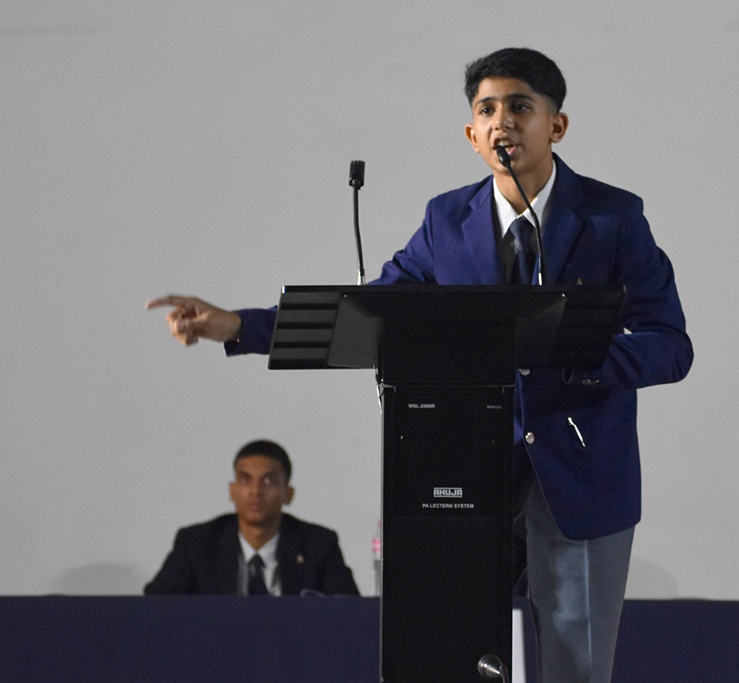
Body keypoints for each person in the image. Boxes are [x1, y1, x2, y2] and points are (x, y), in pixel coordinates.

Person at [147, 48, 692, 682]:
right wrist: (239, 326)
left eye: (520, 107)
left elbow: (669, 345)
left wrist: (578, 355)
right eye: (486, 110)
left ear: (557, 125)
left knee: (576, 665)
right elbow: (369, 312)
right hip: (466, 470)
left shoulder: (612, 218)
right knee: (446, 652)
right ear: (471, 135)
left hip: (581, 472)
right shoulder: (447, 220)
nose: (502, 122)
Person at [145, 439, 359, 596]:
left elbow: (349, 612)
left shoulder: (318, 545)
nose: (256, 491)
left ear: (288, 493)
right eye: (245, 480)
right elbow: (156, 607)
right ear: (232, 491)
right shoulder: (197, 544)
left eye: (269, 481)